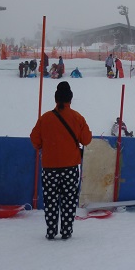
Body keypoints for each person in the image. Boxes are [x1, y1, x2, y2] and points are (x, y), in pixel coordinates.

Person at [30, 81, 92, 240]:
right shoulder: (77, 117)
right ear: (70, 100)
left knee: (50, 200)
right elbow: (86, 140)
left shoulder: (45, 118)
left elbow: (35, 140)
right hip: (70, 167)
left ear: (56, 100)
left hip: (49, 167)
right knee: (69, 200)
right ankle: (66, 231)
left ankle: (51, 231)